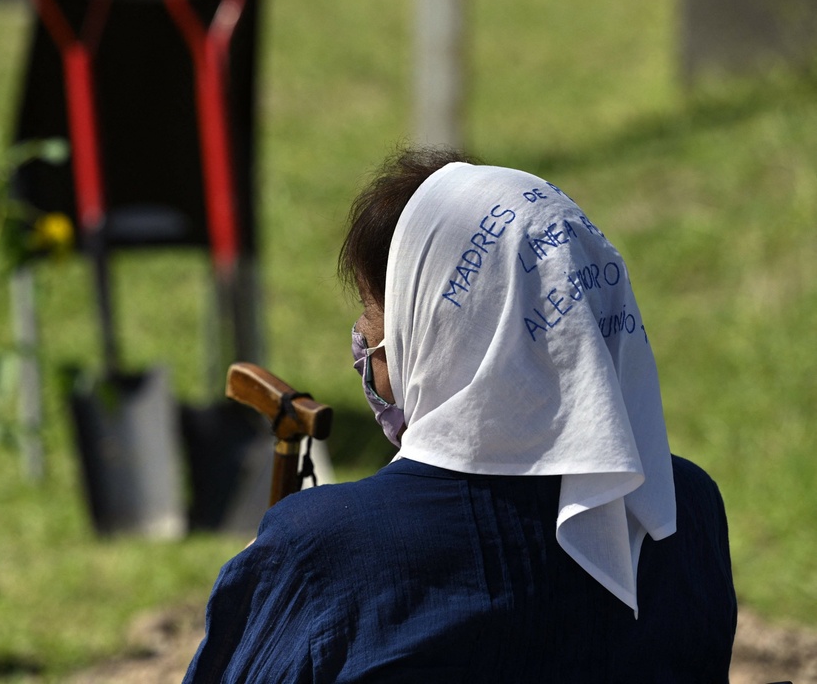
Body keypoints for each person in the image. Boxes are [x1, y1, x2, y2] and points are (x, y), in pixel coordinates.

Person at [184, 146, 737, 682]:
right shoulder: (682, 509)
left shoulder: (327, 549)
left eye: (374, 312)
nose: (364, 342)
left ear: (431, 324)